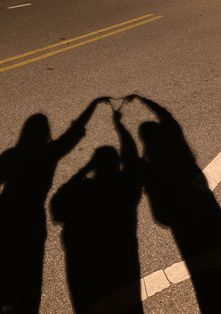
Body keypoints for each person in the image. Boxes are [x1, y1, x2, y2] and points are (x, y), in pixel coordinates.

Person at [124, 94, 221, 313]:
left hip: (180, 222)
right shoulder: (181, 153)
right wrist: (142, 99)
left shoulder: (150, 167)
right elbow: (167, 117)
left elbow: (129, 157)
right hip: (206, 217)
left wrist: (120, 125)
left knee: (203, 279)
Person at [0, 98, 104, 314]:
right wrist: (95, 104)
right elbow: (74, 132)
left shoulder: (11, 156)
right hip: (31, 223)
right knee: (29, 276)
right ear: (45, 134)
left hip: (5, 217)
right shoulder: (48, 154)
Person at [51, 105, 143, 313]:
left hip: (85, 270)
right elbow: (131, 155)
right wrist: (119, 126)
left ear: (94, 164)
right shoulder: (126, 188)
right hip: (122, 267)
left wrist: (83, 170)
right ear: (117, 164)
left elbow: (56, 209)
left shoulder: (83, 189)